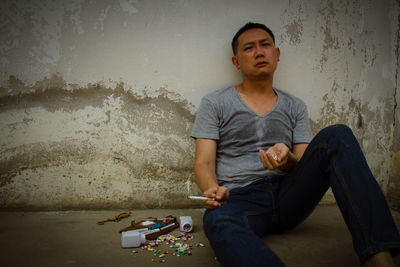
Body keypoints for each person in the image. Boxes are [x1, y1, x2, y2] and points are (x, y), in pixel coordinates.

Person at [190, 22, 400, 267]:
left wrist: (288, 157)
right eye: (249, 48)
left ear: (276, 55)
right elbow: (204, 161)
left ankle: (379, 257)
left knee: (337, 135)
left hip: (289, 195)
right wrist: (213, 190)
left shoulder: (295, 106)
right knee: (217, 220)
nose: (259, 52)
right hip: (239, 198)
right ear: (236, 61)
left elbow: (303, 160)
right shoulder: (215, 102)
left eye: (265, 45)